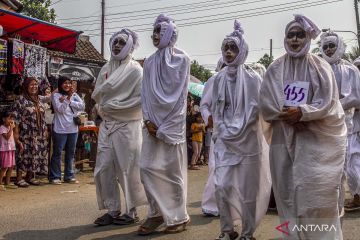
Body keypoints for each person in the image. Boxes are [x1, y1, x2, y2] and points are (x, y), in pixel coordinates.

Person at [259, 15, 347, 239]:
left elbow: (328, 101)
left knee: (316, 193)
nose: (295, 39)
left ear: (308, 37)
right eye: (291, 35)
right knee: (287, 194)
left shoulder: (320, 67)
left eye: (300, 34)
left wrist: (303, 113)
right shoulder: (274, 68)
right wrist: (287, 114)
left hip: (315, 142)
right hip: (282, 139)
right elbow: (266, 103)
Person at [211, 20, 271, 240]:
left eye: (233, 48)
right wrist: (222, 130)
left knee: (248, 192)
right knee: (222, 186)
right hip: (225, 141)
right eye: (225, 48)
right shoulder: (218, 78)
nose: (228, 52)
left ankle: (247, 233)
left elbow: (256, 110)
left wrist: (237, 128)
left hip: (247, 142)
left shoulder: (254, 79)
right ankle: (227, 230)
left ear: (242, 51)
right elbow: (217, 109)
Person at [139, 14, 190, 235]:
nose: (155, 36)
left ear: (171, 34)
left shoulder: (183, 59)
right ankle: (157, 212)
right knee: (146, 168)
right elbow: (146, 94)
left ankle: (179, 216)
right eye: (154, 32)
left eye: (160, 32)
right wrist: (148, 120)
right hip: (151, 125)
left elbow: (180, 97)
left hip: (172, 125)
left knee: (171, 172)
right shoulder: (149, 61)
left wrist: (167, 125)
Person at [92, 28, 147, 226]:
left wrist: (114, 107)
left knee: (128, 169)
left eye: (122, 42)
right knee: (103, 168)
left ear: (130, 46)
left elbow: (140, 101)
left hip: (128, 125)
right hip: (107, 124)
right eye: (115, 41)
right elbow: (98, 96)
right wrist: (103, 109)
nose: (117, 45)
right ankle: (112, 209)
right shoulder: (105, 68)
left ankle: (131, 212)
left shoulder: (136, 70)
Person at [319, 32, 360, 214]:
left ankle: (340, 206)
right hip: (322, 128)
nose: (328, 49)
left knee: (345, 168)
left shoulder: (351, 70)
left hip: (347, 126)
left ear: (339, 46)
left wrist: (334, 107)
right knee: (325, 169)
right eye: (325, 46)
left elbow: (357, 97)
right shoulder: (318, 69)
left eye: (331, 45)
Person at [12, 77, 50, 187]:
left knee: (35, 155)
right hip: (26, 133)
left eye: (36, 85)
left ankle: (30, 177)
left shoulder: (38, 99)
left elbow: (43, 116)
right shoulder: (21, 100)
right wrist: (16, 134)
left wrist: (46, 130)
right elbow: (15, 119)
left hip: (39, 133)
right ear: (26, 86)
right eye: (31, 85)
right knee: (23, 155)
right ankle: (19, 178)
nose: (34, 87)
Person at [200, 57, 225, 217]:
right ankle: (212, 205)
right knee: (216, 167)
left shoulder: (245, 80)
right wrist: (208, 117)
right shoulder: (214, 80)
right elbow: (204, 105)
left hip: (240, 133)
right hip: (219, 132)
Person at [49, 76, 85, 184]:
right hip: (60, 129)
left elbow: (82, 106)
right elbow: (60, 110)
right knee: (57, 153)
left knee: (70, 153)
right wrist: (68, 99)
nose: (67, 85)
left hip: (73, 129)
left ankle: (69, 175)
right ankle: (55, 176)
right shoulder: (56, 95)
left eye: (69, 83)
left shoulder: (74, 94)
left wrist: (69, 101)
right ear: (60, 84)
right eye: (65, 83)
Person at [345, 57, 360, 211]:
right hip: (352, 129)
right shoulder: (351, 85)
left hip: (356, 130)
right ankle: (357, 197)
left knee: (353, 164)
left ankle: (358, 199)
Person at [0, 111, 17, 190]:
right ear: (4, 119)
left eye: (11, 118)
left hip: (11, 148)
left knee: (10, 166)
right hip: (5, 149)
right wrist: (11, 128)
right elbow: (7, 137)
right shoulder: (2, 128)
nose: (11, 120)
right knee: (4, 167)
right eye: (9, 118)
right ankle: (0, 183)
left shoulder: (10, 127)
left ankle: (7, 182)